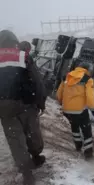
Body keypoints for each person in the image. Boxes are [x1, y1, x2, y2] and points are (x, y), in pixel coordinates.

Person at [0, 30, 46, 185]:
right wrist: (40, 102)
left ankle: (27, 173)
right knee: (32, 132)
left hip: (4, 106)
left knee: (15, 139)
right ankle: (36, 156)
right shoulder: (22, 55)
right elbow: (37, 80)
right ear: (14, 40)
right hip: (26, 103)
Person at [57, 62, 94, 159]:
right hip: (80, 110)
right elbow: (90, 97)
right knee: (86, 129)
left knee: (74, 126)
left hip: (67, 110)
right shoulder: (87, 79)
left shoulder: (67, 76)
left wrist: (62, 103)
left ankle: (78, 145)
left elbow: (59, 94)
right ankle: (88, 152)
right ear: (87, 69)